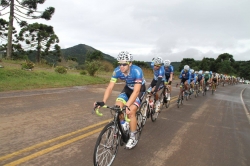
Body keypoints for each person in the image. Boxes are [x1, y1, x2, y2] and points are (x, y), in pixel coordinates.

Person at [94, 51, 146, 149]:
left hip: (139, 91)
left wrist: (128, 105)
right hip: (127, 89)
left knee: (131, 112)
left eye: (124, 64)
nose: (121, 66)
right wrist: (103, 101)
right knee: (117, 107)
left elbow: (136, 91)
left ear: (130, 63)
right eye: (120, 64)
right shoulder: (117, 71)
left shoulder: (137, 71)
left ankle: (133, 137)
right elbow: (110, 87)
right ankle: (123, 124)